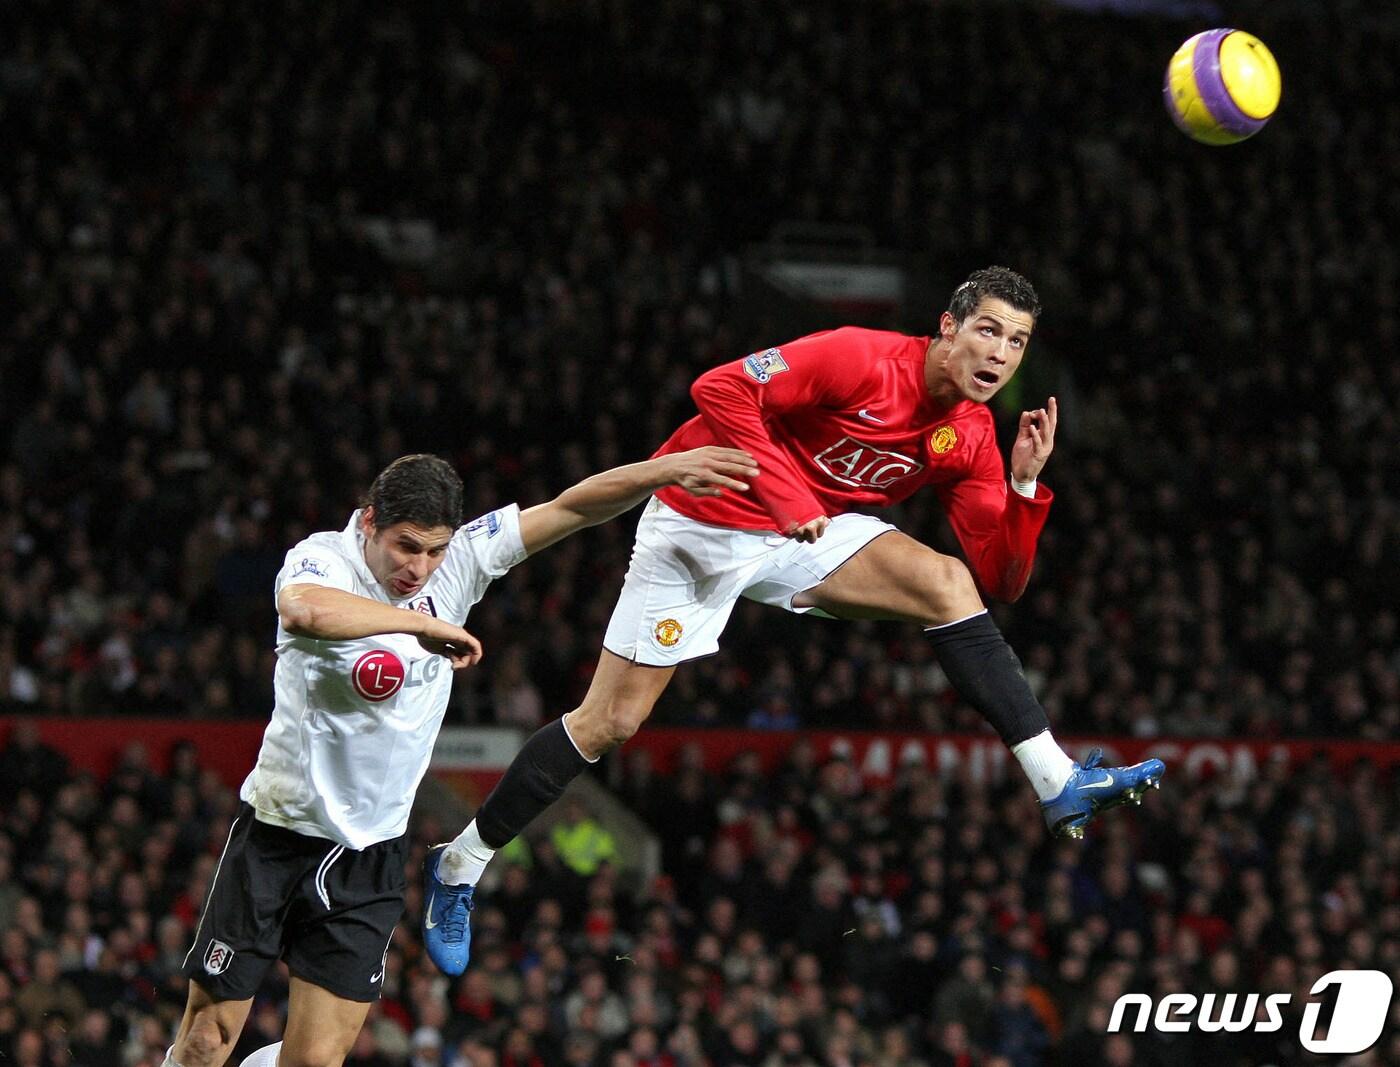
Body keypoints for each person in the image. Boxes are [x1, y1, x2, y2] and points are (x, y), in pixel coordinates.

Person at [423, 266, 1165, 976]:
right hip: (704, 518)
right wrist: (784, 495)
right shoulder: (860, 356)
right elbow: (720, 388)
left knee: (947, 582)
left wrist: (1026, 483)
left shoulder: (969, 435)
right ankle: (460, 863)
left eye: (1016, 342)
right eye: (988, 331)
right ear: (948, 326)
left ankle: (1056, 779)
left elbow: (1001, 579)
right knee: (609, 722)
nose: (999, 354)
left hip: (807, 531)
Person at [166, 446, 758, 1067]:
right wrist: (416, 627)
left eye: (434, 550)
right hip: (276, 837)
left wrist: (662, 471)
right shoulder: (322, 558)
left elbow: (573, 507)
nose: (419, 568)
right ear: (369, 522)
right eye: (405, 546)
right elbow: (306, 609)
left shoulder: (462, 561)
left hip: (370, 857)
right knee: (205, 1043)